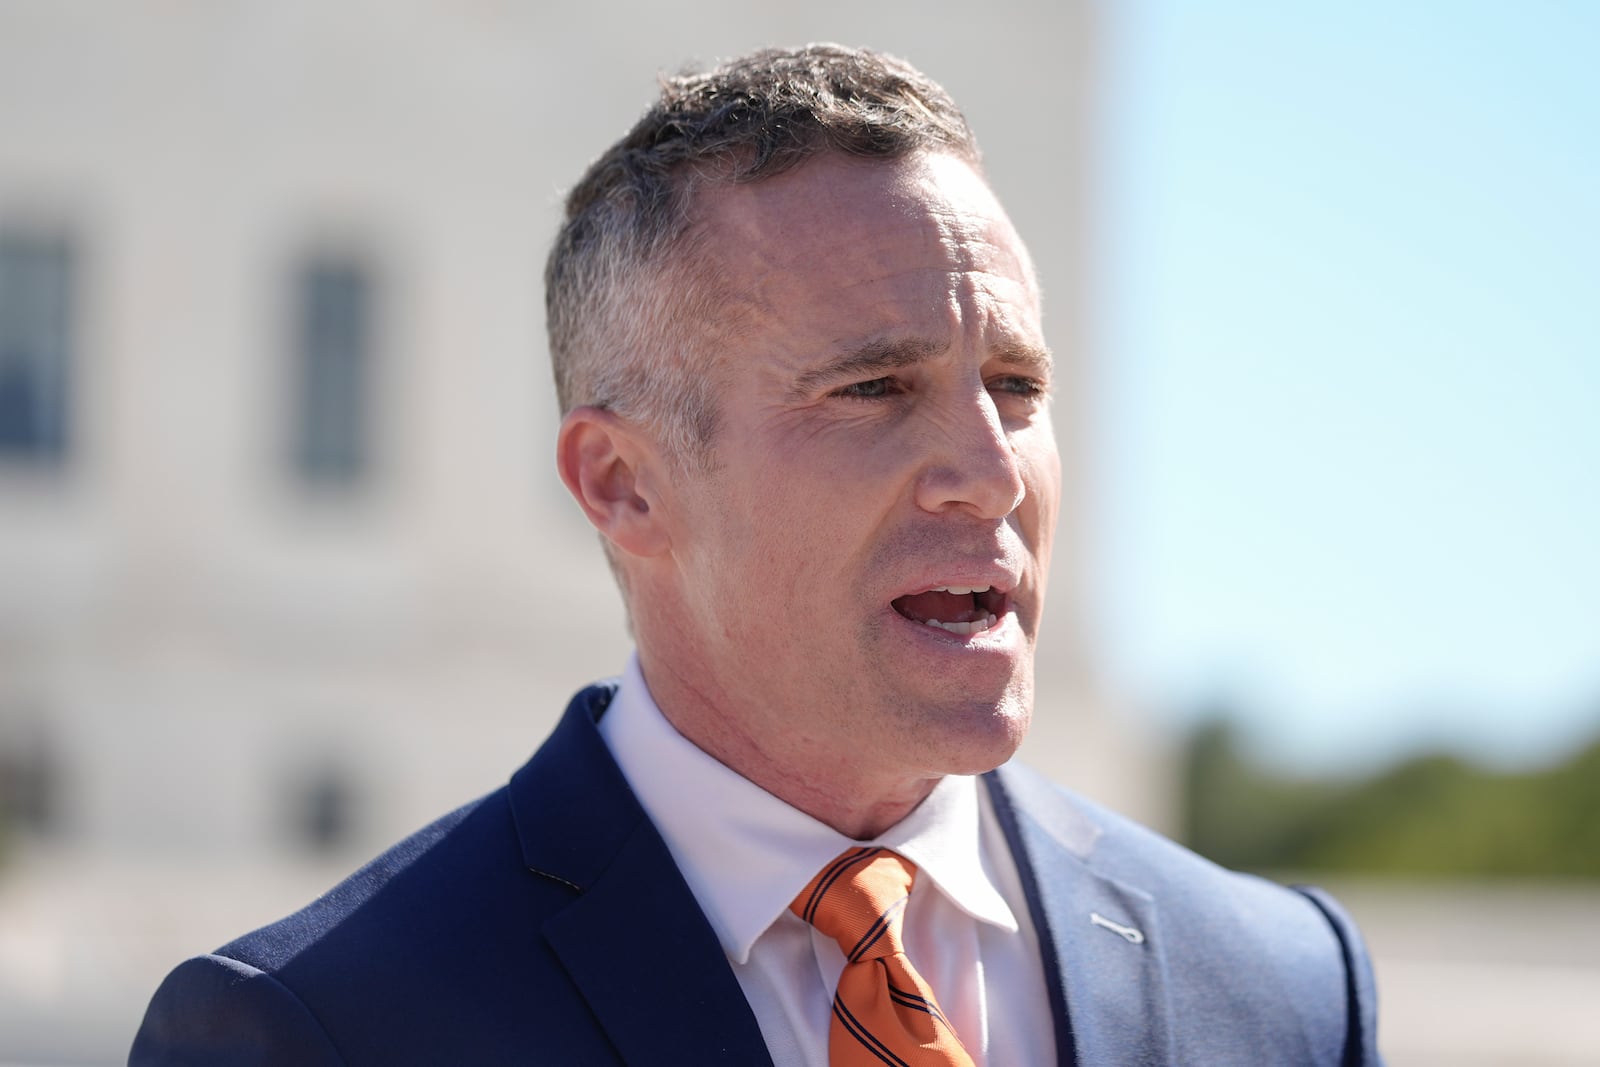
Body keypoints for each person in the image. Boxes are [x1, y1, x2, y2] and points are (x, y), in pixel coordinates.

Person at [131, 44, 1380, 1065]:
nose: (991, 470)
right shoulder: (316, 1027)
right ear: (623, 484)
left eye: (1014, 384)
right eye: (875, 388)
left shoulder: (1284, 995)